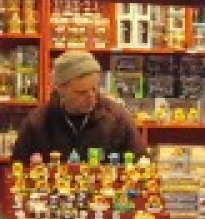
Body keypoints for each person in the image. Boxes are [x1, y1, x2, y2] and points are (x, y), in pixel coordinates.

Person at [11, 49, 147, 164]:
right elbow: (16, 170)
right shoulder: (37, 123)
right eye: (81, 92)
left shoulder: (118, 118)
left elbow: (141, 164)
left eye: (94, 89)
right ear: (60, 88)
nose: (91, 97)